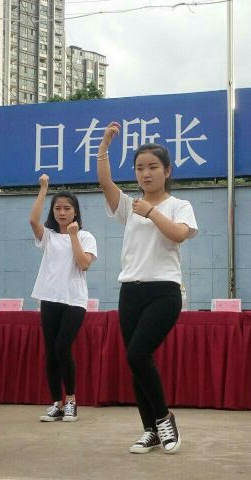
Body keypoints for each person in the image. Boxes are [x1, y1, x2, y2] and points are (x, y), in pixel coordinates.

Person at [97, 122, 198, 454]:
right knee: (136, 361)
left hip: (164, 291)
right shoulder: (129, 206)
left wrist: (152, 212)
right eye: (140, 168)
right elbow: (106, 183)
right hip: (131, 291)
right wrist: (104, 147)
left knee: (137, 354)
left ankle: (164, 419)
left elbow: (179, 234)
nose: (146, 173)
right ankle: (150, 430)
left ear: (167, 171)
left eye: (153, 167)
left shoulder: (179, 205)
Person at [29, 174, 97, 422]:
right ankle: (57, 403)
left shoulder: (86, 237)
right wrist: (43, 188)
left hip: (74, 301)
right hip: (49, 298)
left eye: (67, 208)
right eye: (57, 208)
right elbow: (32, 220)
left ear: (75, 211)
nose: (62, 212)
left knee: (62, 347)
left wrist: (73, 235)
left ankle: (71, 401)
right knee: (51, 351)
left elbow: (83, 263)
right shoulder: (48, 236)